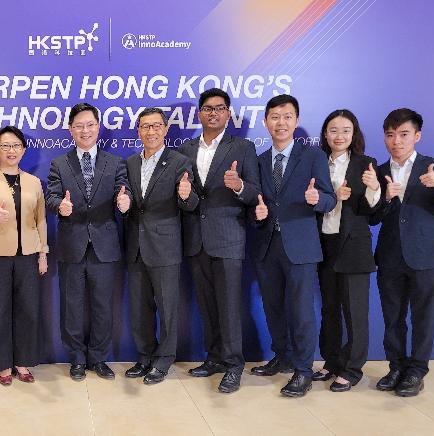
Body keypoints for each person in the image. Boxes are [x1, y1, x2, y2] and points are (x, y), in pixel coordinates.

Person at [250, 94, 335, 397]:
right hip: (266, 245)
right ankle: (282, 356)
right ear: (266, 122)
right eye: (274, 116)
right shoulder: (259, 161)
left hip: (300, 246)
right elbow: (256, 203)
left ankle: (303, 370)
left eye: (287, 116)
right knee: (272, 307)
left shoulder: (312, 157)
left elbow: (329, 198)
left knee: (300, 310)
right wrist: (256, 215)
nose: (280, 122)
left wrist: (317, 200)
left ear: (296, 121)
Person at [371, 108, 434, 397]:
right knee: (392, 316)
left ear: (417, 136)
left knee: (423, 315)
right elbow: (372, 218)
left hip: (424, 254)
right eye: (390, 134)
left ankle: (416, 370)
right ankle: (396, 366)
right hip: (389, 254)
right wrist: (383, 197)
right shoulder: (379, 171)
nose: (396, 140)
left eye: (404, 134)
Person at [178, 88, 260, 393]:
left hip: (228, 238)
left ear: (228, 114)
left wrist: (239, 186)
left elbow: (254, 192)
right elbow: (186, 197)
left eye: (220, 108)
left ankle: (234, 365)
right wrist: (183, 197)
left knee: (229, 306)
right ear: (199, 114)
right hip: (196, 240)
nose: (214, 113)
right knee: (207, 304)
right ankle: (213, 358)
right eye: (208, 109)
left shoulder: (243, 147)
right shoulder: (185, 149)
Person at [46, 103, 130, 381]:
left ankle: (99, 358)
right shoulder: (60, 163)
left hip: (104, 246)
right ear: (71, 129)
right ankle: (77, 359)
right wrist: (60, 206)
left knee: (103, 305)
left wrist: (124, 201)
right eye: (79, 125)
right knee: (72, 305)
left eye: (90, 124)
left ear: (98, 126)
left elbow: (124, 193)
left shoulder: (115, 162)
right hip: (72, 244)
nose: (85, 130)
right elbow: (51, 197)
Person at [124, 107, 198, 385]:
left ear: (166, 129)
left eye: (156, 126)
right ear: (138, 131)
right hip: (134, 245)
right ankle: (144, 356)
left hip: (165, 246)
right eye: (145, 126)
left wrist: (186, 196)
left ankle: (164, 360)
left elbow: (190, 204)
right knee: (140, 307)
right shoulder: (129, 162)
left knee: (167, 308)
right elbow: (128, 199)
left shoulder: (179, 162)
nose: (151, 132)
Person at [0, 125, 48, 385]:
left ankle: (23, 361)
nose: (11, 150)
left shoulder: (34, 182)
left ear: (24, 149)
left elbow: (41, 221)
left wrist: (43, 253)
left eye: (16, 145)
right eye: (5, 146)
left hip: (28, 255)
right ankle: (2, 365)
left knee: (27, 309)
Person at [313, 109, 381, 392]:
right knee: (329, 308)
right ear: (325, 134)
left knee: (354, 311)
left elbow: (373, 214)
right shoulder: (316, 162)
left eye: (345, 130)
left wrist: (374, 189)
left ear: (354, 135)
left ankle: (352, 368)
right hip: (323, 244)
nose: (339, 136)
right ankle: (331, 360)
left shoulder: (366, 164)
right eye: (333, 130)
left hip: (353, 247)